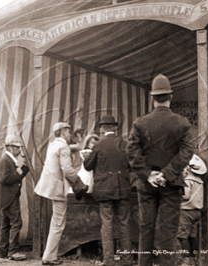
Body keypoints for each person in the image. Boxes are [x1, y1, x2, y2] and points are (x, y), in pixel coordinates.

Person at [126, 74, 193, 266]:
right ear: (170, 96)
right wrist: (167, 173)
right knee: (167, 233)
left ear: (152, 97)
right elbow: (188, 150)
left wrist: (148, 175)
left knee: (145, 230)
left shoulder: (140, 123)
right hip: (171, 185)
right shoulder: (182, 123)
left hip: (146, 186)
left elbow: (131, 151)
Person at [34, 122, 88, 265]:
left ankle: (48, 255)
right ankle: (49, 258)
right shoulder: (63, 147)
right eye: (68, 132)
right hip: (58, 189)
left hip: (49, 187)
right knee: (58, 224)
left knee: (55, 222)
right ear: (63, 132)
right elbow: (68, 170)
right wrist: (81, 185)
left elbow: (67, 149)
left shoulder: (53, 145)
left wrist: (77, 148)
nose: (70, 135)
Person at [84, 115, 132, 266]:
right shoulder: (124, 144)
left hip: (104, 189)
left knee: (107, 225)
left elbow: (87, 166)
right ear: (115, 128)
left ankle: (109, 260)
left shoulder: (98, 145)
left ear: (102, 128)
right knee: (124, 224)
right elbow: (131, 165)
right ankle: (127, 260)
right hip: (123, 189)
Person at [0, 135, 30, 261]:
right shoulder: (5, 160)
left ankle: (3, 251)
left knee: (5, 225)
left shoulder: (9, 160)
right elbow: (5, 178)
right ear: (9, 147)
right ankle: (13, 252)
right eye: (16, 147)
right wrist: (19, 172)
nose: (19, 150)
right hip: (9, 197)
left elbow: (15, 176)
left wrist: (23, 168)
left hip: (6, 196)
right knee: (16, 223)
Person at [177, 154, 207, 266]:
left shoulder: (187, 179)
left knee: (182, 236)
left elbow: (186, 196)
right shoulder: (199, 180)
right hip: (197, 211)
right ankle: (193, 260)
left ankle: (186, 261)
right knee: (192, 237)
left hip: (186, 210)